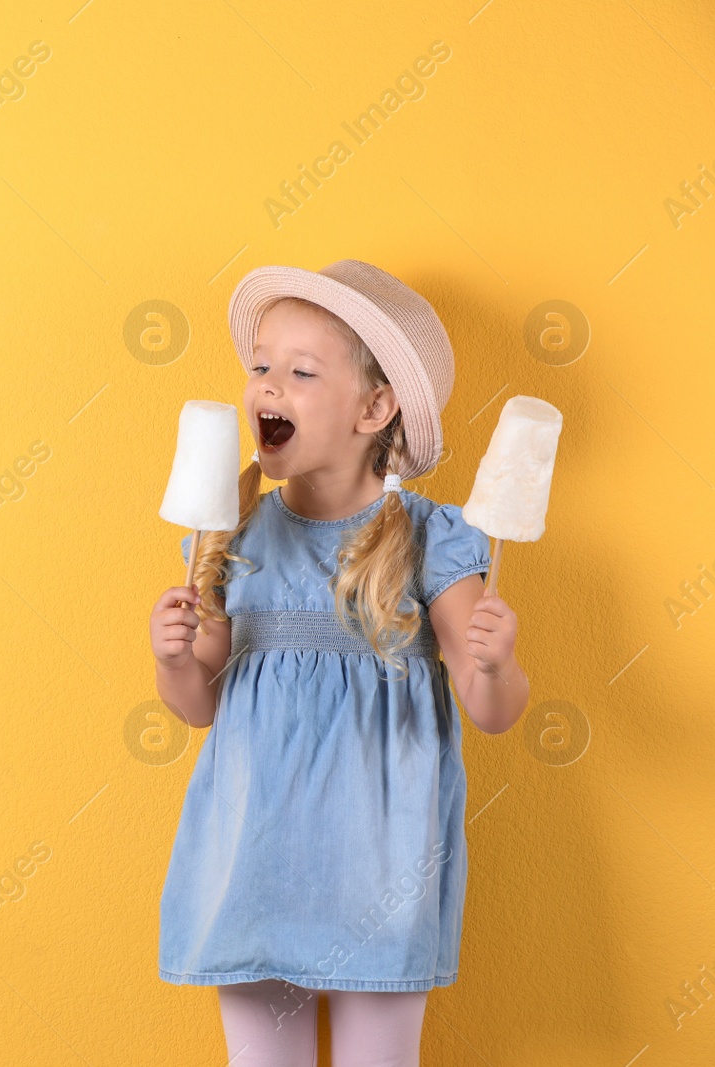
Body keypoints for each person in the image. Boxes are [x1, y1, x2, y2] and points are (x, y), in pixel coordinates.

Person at [148, 260, 529, 1066]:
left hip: (381, 866)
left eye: (300, 370)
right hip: (253, 857)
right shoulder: (234, 535)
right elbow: (198, 703)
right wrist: (173, 656)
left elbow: (491, 708)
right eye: (259, 365)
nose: (267, 385)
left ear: (375, 406)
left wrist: (494, 663)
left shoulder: (431, 539)